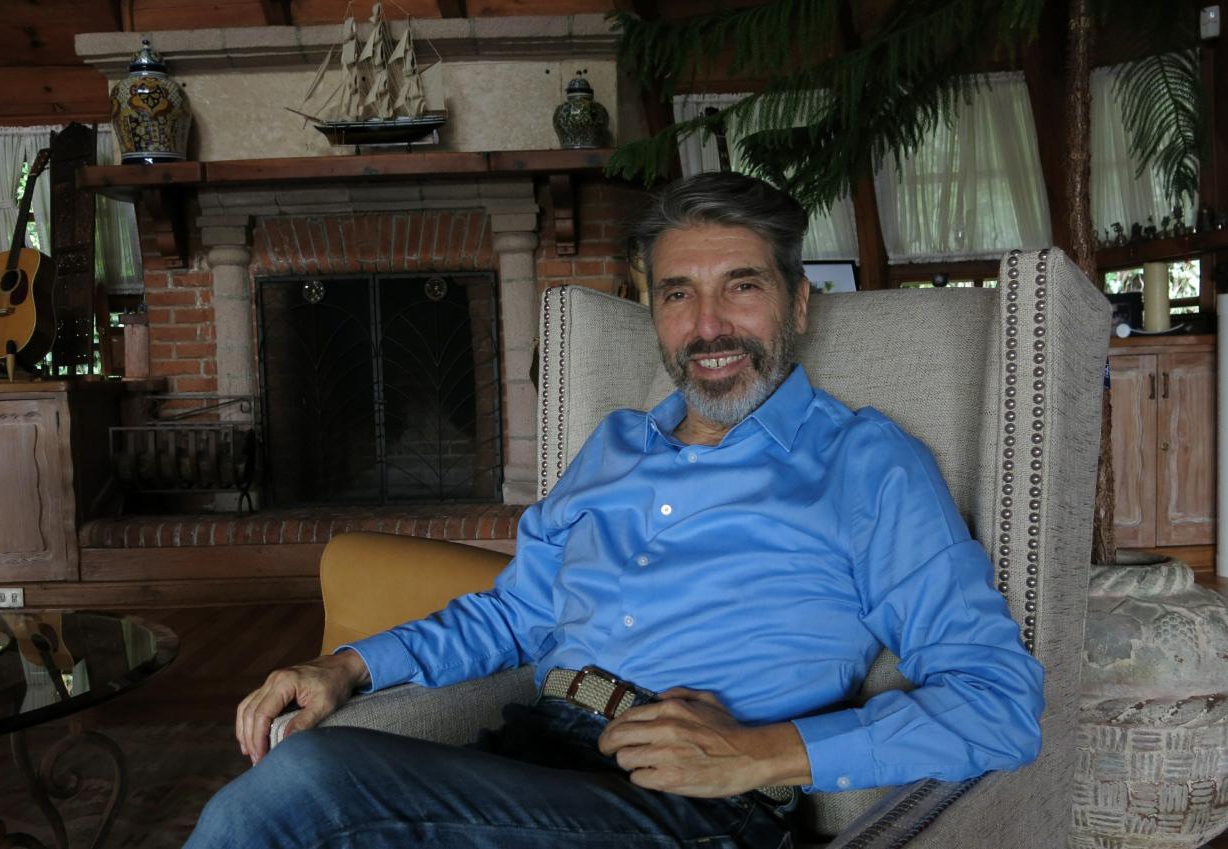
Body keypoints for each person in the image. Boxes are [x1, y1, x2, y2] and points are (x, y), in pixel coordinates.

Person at [185, 172, 1044, 849]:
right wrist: (348, 667)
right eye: (677, 294)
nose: (708, 326)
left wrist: (765, 752)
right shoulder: (614, 445)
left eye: (740, 287)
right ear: (656, 314)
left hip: (691, 810)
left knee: (310, 786)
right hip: (534, 759)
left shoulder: (867, 464)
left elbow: (1000, 704)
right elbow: (519, 613)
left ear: (799, 300)